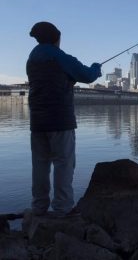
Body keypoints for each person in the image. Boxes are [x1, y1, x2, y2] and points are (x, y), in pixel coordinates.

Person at [26, 21, 102, 217]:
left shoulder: (32, 59)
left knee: (40, 164)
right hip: (60, 119)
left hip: (37, 121)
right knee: (63, 163)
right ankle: (62, 208)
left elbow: (53, 79)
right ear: (56, 38)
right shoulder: (60, 56)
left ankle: (38, 207)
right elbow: (87, 75)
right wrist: (96, 67)